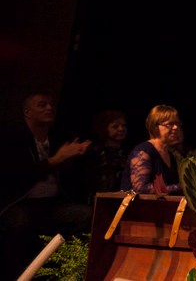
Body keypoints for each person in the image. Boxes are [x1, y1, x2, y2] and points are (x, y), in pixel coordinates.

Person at [0, 92, 93, 279]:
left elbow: (72, 177)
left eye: (51, 105)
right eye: (42, 105)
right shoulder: (13, 138)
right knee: (21, 222)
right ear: (27, 112)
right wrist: (56, 159)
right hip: (19, 202)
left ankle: (57, 271)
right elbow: (15, 174)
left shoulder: (59, 137)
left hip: (51, 203)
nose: (49, 108)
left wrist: (76, 158)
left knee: (86, 214)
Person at [120, 105, 183, 195]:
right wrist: (180, 187)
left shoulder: (171, 154)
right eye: (170, 124)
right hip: (138, 208)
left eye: (177, 124)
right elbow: (140, 188)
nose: (175, 127)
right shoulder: (144, 151)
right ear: (155, 126)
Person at [85, 109, 130, 194]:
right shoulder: (96, 152)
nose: (121, 129)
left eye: (124, 126)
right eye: (115, 126)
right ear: (105, 128)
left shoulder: (128, 153)